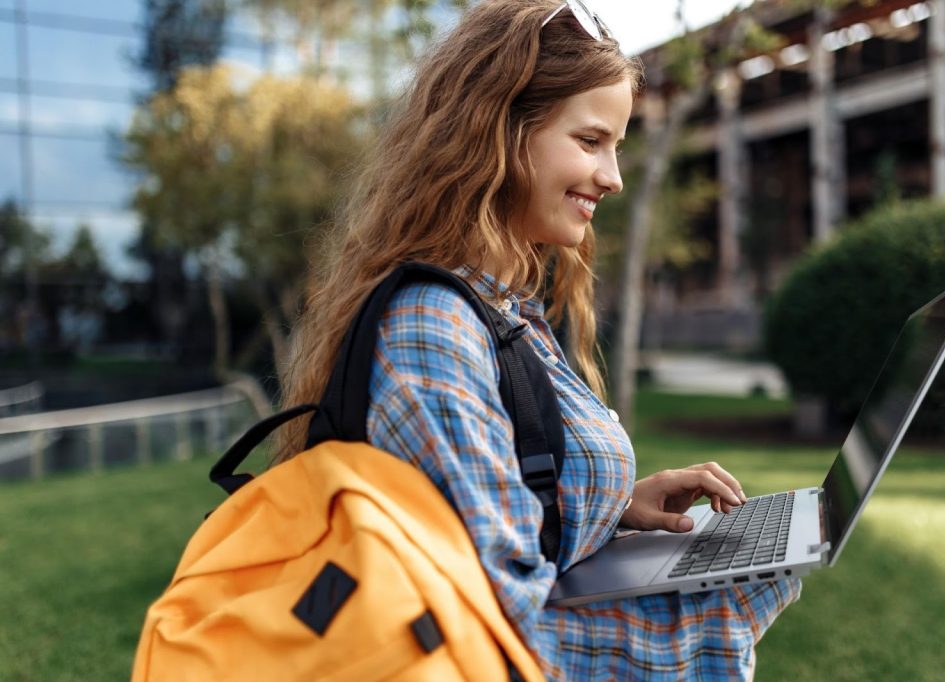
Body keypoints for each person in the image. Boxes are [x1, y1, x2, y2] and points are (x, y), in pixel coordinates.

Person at [277, 0, 800, 678]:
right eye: (590, 142)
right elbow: (497, 634)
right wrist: (713, 613)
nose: (613, 177)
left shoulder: (502, 307)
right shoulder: (434, 330)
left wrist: (613, 505)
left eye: (616, 146)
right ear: (497, 132)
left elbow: (506, 506)